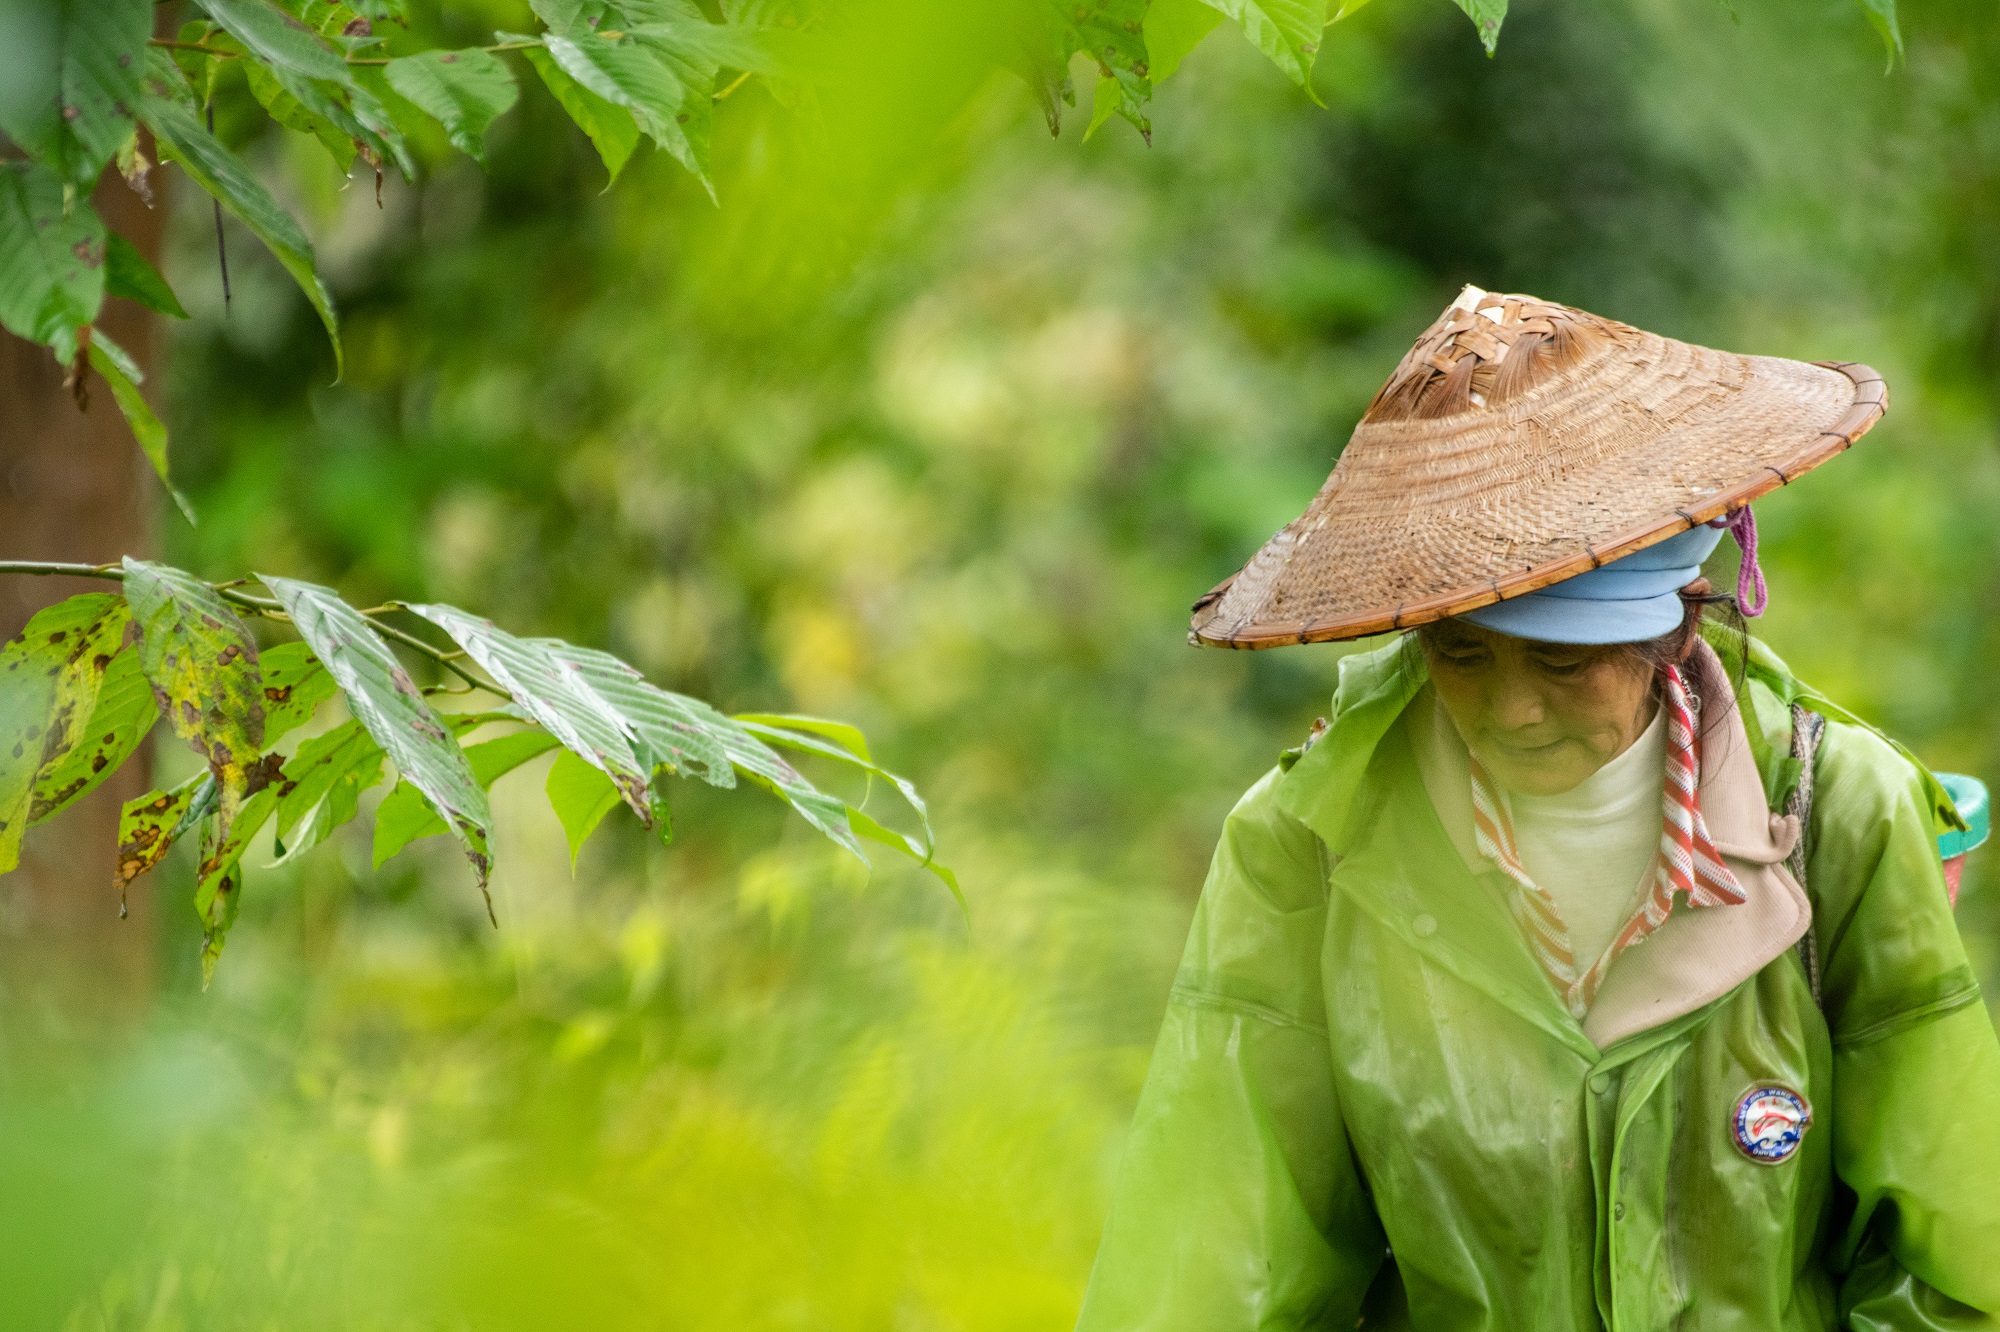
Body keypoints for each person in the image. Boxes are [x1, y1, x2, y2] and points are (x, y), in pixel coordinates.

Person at [1075, 287, 2000, 1330]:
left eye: (1564, 665)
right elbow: (1210, 1261)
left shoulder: (1832, 812)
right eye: (1460, 656)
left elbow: (1954, 1262)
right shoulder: (1308, 842)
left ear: (1671, 633)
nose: (1510, 712)